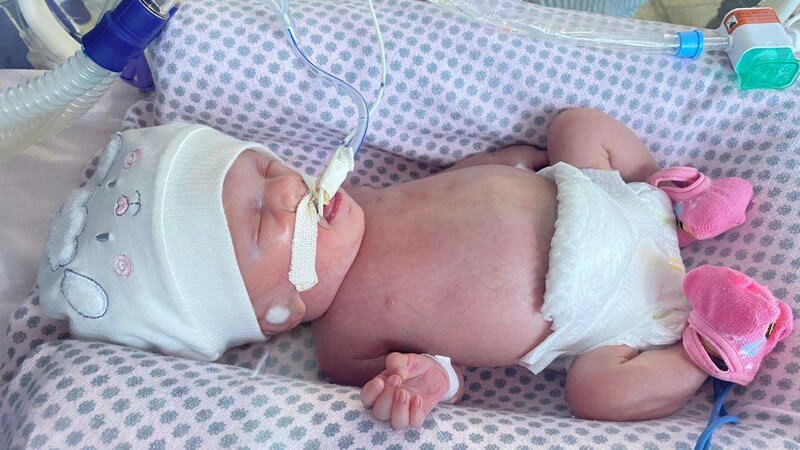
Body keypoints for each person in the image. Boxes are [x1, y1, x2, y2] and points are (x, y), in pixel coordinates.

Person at [35, 108, 726, 429]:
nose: (290, 189)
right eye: (263, 221)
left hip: (601, 196)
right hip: (603, 316)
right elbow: (443, 375)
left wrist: (503, 167)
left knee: (575, 126)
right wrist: (424, 383)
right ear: (272, 310)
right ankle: (707, 346)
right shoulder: (346, 343)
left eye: (268, 170)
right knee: (593, 395)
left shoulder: (363, 200)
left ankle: (674, 197)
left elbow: (450, 186)